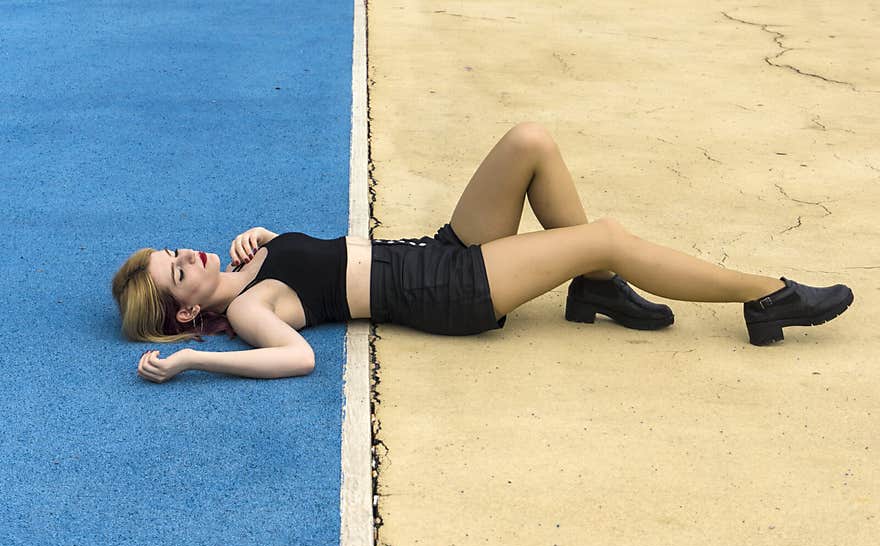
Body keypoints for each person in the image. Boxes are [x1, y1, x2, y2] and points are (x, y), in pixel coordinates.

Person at [112, 123, 854, 383]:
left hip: (437, 251)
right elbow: (296, 357)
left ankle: (594, 288)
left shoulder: (246, 268)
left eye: (180, 249)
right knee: (607, 235)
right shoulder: (245, 311)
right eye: (181, 270)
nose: (194, 256)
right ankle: (766, 294)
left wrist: (266, 237)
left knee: (529, 140)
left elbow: (307, 264)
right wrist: (192, 360)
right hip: (447, 292)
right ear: (182, 306)